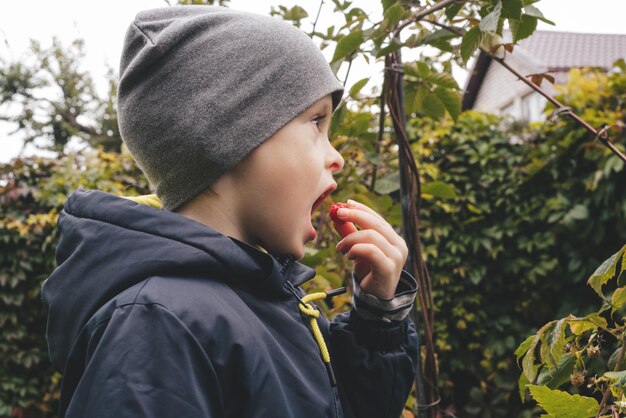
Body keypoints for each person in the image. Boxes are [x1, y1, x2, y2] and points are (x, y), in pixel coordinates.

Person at [41, 5, 418, 418]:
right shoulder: (158, 325)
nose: (336, 158)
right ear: (229, 136)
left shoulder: (261, 296)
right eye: (316, 122)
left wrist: (378, 317)